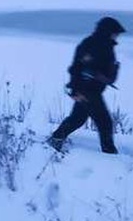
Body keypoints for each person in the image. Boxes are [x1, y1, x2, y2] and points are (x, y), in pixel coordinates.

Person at [48, 16, 126, 154]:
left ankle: (56, 139)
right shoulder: (91, 45)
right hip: (87, 90)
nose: (117, 36)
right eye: (116, 33)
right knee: (105, 122)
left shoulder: (106, 45)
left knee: (78, 118)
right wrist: (75, 89)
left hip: (91, 90)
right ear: (108, 32)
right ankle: (109, 153)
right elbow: (77, 68)